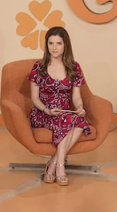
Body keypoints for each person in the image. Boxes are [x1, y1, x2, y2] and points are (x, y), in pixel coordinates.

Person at [29, 26, 91, 186]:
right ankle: (61, 167)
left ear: (65, 46)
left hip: (64, 112)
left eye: (58, 43)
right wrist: (47, 110)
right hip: (42, 112)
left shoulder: (74, 67)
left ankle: (53, 164)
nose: (54, 47)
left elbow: (76, 97)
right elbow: (34, 98)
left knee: (79, 120)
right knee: (68, 120)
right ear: (46, 45)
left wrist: (80, 108)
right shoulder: (38, 67)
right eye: (51, 43)